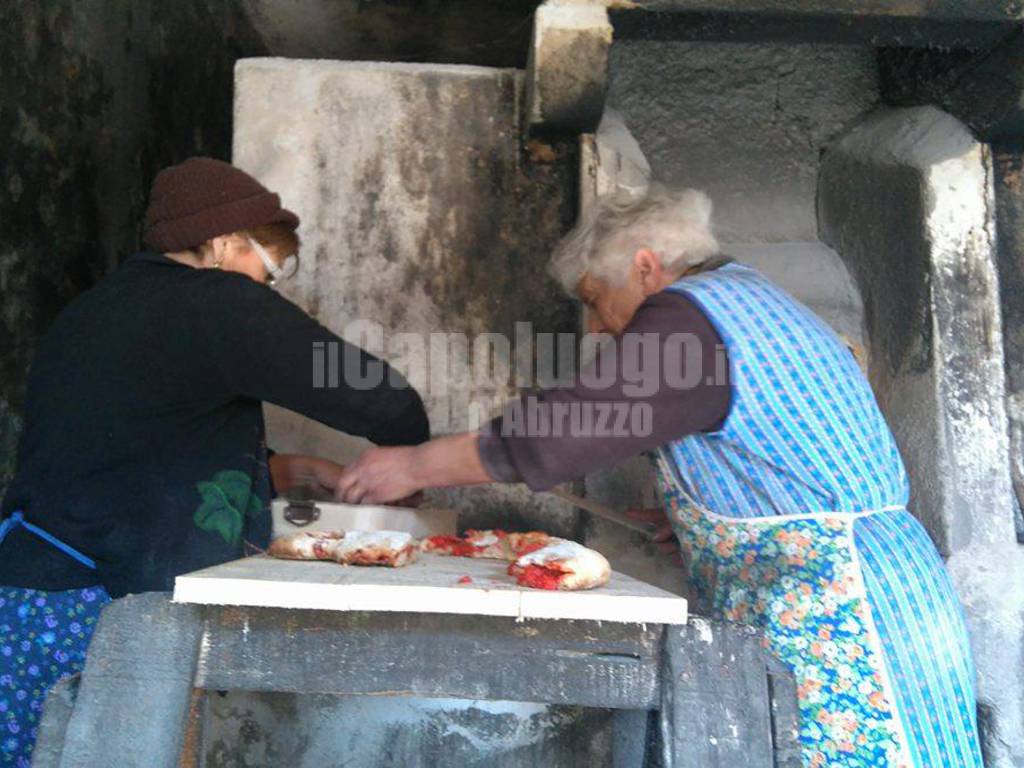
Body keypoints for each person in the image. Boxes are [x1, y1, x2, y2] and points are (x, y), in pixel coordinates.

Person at [335, 186, 983, 767]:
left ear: (646, 266)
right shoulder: (748, 300)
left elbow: (561, 433)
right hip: (889, 594)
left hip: (840, 612)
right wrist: (710, 524)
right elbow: (785, 461)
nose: (595, 326)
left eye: (595, 299)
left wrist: (412, 464)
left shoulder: (690, 318)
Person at [0, 157, 429, 766]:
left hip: (30, 592)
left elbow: (139, 445)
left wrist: (298, 470)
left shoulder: (99, 309)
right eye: (270, 267)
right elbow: (378, 396)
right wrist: (409, 455)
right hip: (91, 604)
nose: (268, 287)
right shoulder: (216, 303)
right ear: (225, 244)